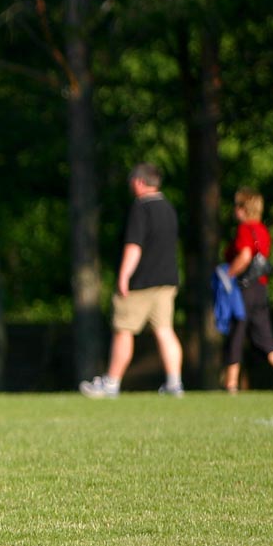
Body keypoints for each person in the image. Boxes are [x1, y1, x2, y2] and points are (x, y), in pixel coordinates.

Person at [80, 162, 184, 398]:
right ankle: (174, 383)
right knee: (165, 330)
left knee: (123, 330)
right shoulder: (168, 207)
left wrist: (124, 276)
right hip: (167, 281)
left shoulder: (141, 207)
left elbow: (134, 246)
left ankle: (111, 383)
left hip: (141, 282)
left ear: (138, 182)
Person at [220, 188, 273, 392]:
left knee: (236, 333)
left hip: (244, 289)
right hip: (260, 288)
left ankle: (231, 383)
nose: (235, 210)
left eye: (238, 205)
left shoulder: (245, 229)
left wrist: (228, 275)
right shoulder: (262, 229)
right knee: (264, 336)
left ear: (245, 208)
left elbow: (244, 256)